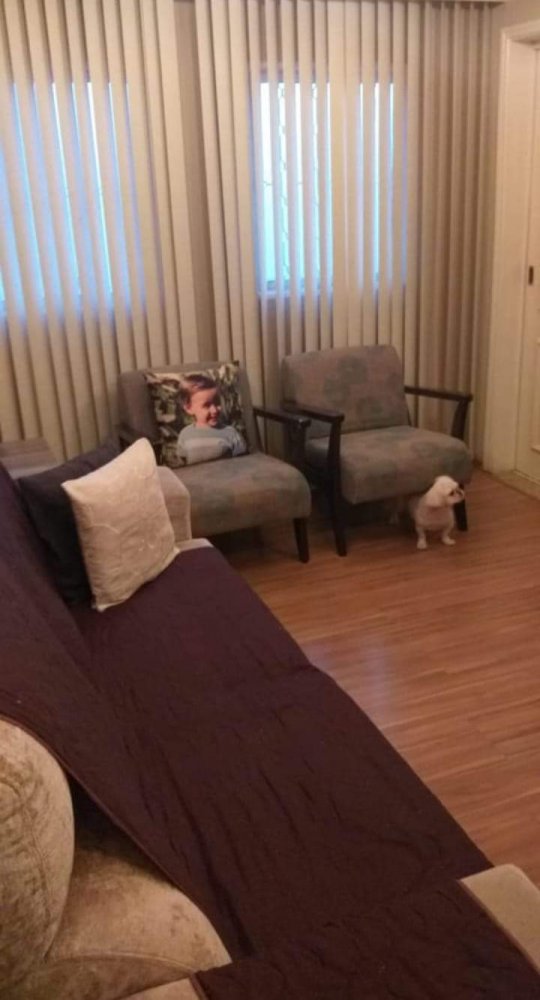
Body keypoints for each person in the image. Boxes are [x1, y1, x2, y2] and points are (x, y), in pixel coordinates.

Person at [176, 373, 247, 465]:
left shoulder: (230, 433)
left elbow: (244, 464)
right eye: (206, 405)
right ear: (189, 408)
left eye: (217, 403)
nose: (214, 410)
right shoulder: (185, 435)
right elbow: (182, 464)